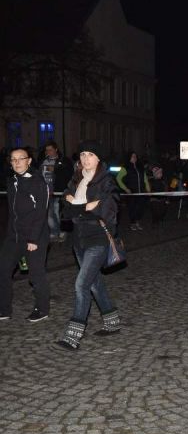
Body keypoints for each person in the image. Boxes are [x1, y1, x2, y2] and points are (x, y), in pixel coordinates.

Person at [56, 141, 121, 350]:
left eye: (90, 154)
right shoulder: (76, 180)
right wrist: (86, 207)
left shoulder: (106, 181)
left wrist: (78, 207)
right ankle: (112, 322)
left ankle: (72, 336)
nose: (85, 159)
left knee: (81, 284)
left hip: (98, 238)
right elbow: (65, 211)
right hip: (79, 239)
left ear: (98, 158)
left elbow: (109, 211)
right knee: (94, 284)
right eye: (82, 154)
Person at [0, 147, 51, 322]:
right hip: (14, 236)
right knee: (3, 270)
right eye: (13, 159)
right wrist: (9, 234)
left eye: (20, 159)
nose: (17, 162)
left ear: (29, 161)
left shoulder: (38, 182)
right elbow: (12, 213)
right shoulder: (12, 181)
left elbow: (41, 213)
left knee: (36, 274)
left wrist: (33, 239)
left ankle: (42, 309)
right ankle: (4, 309)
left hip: (34, 237)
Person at [39, 141, 71, 242]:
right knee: (49, 215)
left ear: (56, 149)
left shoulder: (63, 160)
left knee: (57, 213)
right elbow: (39, 175)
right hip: (46, 192)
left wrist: (56, 170)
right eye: (47, 150)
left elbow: (68, 174)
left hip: (58, 192)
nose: (48, 152)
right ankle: (54, 232)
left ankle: (61, 231)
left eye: (50, 150)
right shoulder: (43, 161)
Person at [116, 151, 150, 231]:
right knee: (133, 208)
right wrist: (126, 189)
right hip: (131, 192)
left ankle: (137, 222)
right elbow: (118, 179)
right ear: (129, 158)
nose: (134, 158)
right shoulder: (125, 168)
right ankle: (133, 223)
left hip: (141, 191)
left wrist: (148, 190)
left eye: (135, 156)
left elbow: (145, 179)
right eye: (132, 156)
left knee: (141, 208)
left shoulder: (140, 167)